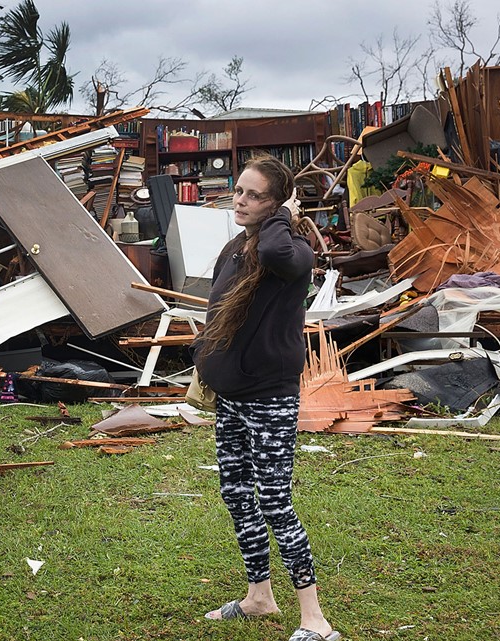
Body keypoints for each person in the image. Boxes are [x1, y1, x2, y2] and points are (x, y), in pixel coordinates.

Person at [192, 155, 339, 641]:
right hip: (233, 395)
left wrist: (284, 215)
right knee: (235, 493)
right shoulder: (240, 245)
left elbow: (277, 253)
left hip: (269, 397)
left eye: (255, 195)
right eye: (238, 191)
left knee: (275, 500)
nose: (240, 200)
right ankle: (260, 596)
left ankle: (315, 620)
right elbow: (219, 305)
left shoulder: (292, 249)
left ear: (277, 204)